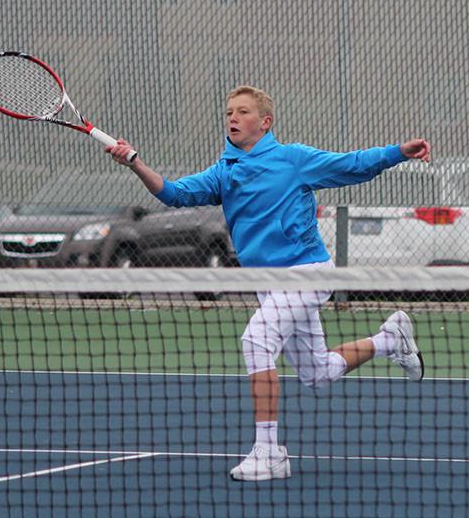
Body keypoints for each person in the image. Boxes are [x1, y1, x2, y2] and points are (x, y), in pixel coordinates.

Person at [107, 85, 431, 481]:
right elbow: (174, 193)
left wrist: (398, 152)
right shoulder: (224, 172)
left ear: (265, 122)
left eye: (242, 112)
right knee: (318, 373)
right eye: (229, 112)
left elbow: (352, 164)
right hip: (268, 285)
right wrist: (136, 162)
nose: (232, 118)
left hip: (307, 274)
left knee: (255, 340)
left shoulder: (292, 159)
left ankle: (269, 451)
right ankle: (389, 340)